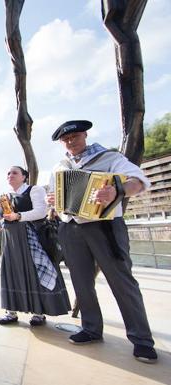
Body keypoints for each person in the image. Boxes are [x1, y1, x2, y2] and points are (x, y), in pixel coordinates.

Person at [47, 120, 157, 363]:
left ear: (85, 135)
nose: (70, 142)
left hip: (105, 227)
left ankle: (142, 340)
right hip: (71, 227)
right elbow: (53, 195)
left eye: (74, 136)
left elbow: (138, 180)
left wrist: (116, 190)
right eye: (65, 139)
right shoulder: (60, 166)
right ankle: (91, 329)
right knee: (81, 282)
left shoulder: (109, 158)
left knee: (122, 281)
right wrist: (53, 199)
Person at [0, 166, 71, 328]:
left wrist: (18, 216)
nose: (10, 175)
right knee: (11, 272)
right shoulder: (5, 197)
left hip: (31, 237)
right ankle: (11, 311)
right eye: (8, 173)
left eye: (14, 172)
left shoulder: (34, 190)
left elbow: (41, 211)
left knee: (35, 270)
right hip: (10, 240)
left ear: (24, 177)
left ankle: (39, 313)